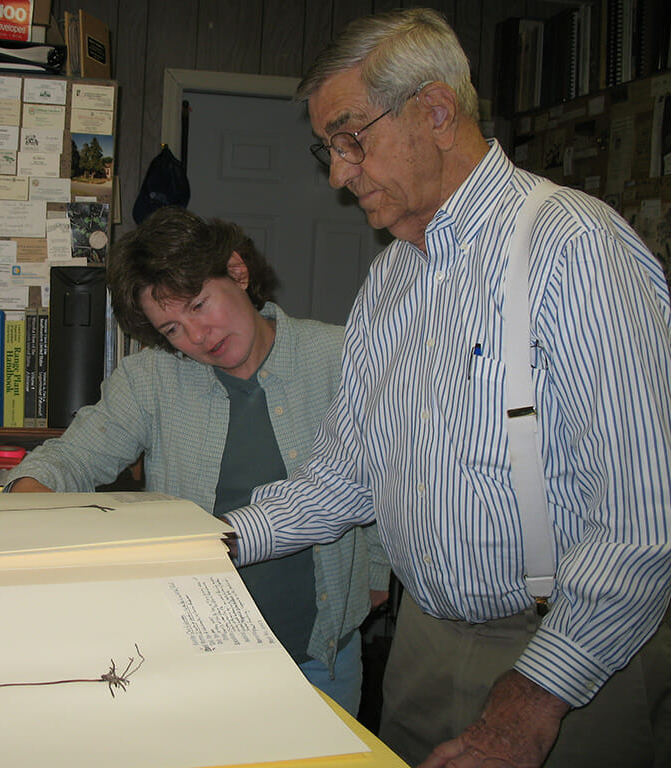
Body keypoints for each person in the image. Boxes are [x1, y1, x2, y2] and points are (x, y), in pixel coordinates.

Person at [220, 8, 671, 768]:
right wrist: (216, 542)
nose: (337, 173)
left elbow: (642, 522)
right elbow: (341, 480)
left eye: (350, 138)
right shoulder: (392, 279)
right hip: (422, 650)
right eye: (328, 147)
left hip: (575, 662)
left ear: (434, 110)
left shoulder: (576, 248)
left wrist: (532, 699)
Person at [6, 206, 391, 715]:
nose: (196, 336)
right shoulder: (151, 380)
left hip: (321, 658)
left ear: (237, 272)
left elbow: (389, 473)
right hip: (193, 656)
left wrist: (378, 573)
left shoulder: (341, 357)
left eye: (198, 304)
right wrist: (26, 492)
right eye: (171, 328)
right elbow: (73, 455)